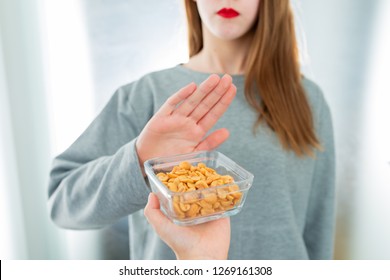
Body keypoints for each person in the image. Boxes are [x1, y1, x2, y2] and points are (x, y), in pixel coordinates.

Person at [48, 0, 335, 260]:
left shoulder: (307, 99)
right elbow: (63, 205)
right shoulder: (145, 95)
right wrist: (139, 159)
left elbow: (319, 229)